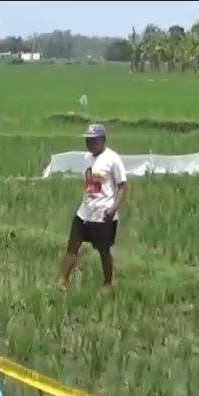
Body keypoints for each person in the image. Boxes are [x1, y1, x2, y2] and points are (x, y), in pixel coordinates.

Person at [57, 123, 128, 291]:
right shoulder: (87, 159)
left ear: (102, 140)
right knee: (72, 246)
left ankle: (108, 284)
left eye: (92, 140)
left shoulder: (112, 159)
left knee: (104, 251)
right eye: (87, 140)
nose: (89, 143)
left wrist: (113, 208)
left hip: (103, 214)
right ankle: (62, 281)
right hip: (85, 212)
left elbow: (122, 186)